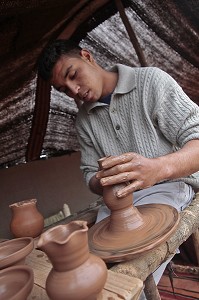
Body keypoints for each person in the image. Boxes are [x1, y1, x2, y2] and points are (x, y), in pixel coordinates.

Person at [38, 39, 199, 297]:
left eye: (73, 75)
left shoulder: (150, 82)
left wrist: (158, 168)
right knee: (89, 270)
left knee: (129, 281)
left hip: (169, 186)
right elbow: (90, 175)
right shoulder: (84, 121)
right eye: (64, 90)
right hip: (120, 202)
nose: (74, 90)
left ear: (87, 56)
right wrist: (102, 180)